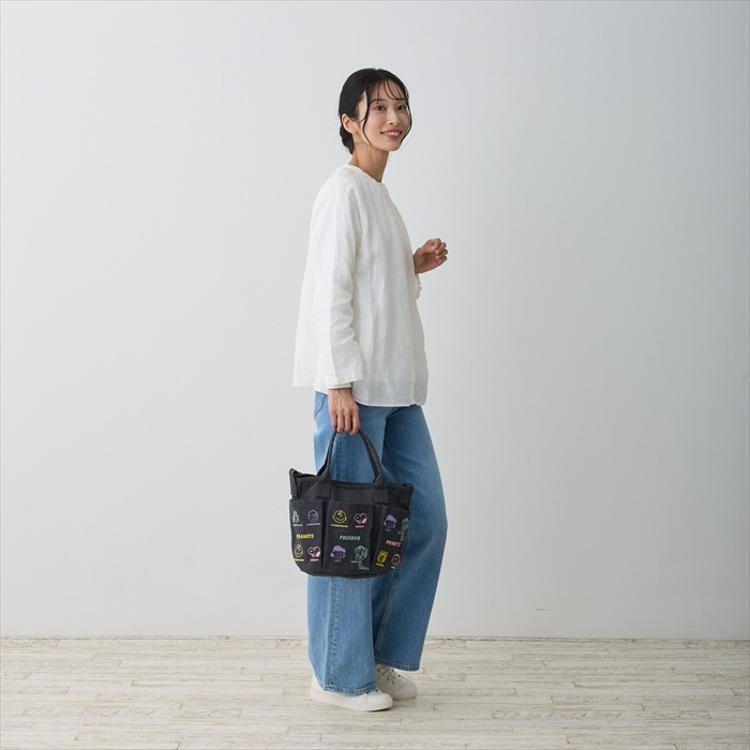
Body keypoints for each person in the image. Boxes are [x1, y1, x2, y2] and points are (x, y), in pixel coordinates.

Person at [292, 68, 449, 712]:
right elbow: (328, 291)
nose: (393, 117)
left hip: (397, 388)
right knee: (348, 533)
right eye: (378, 107)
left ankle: (377, 658)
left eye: (401, 106)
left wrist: (411, 267)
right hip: (353, 392)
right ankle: (337, 676)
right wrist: (336, 382)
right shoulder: (343, 192)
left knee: (424, 522)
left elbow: (373, 289)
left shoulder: (379, 196)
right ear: (349, 122)